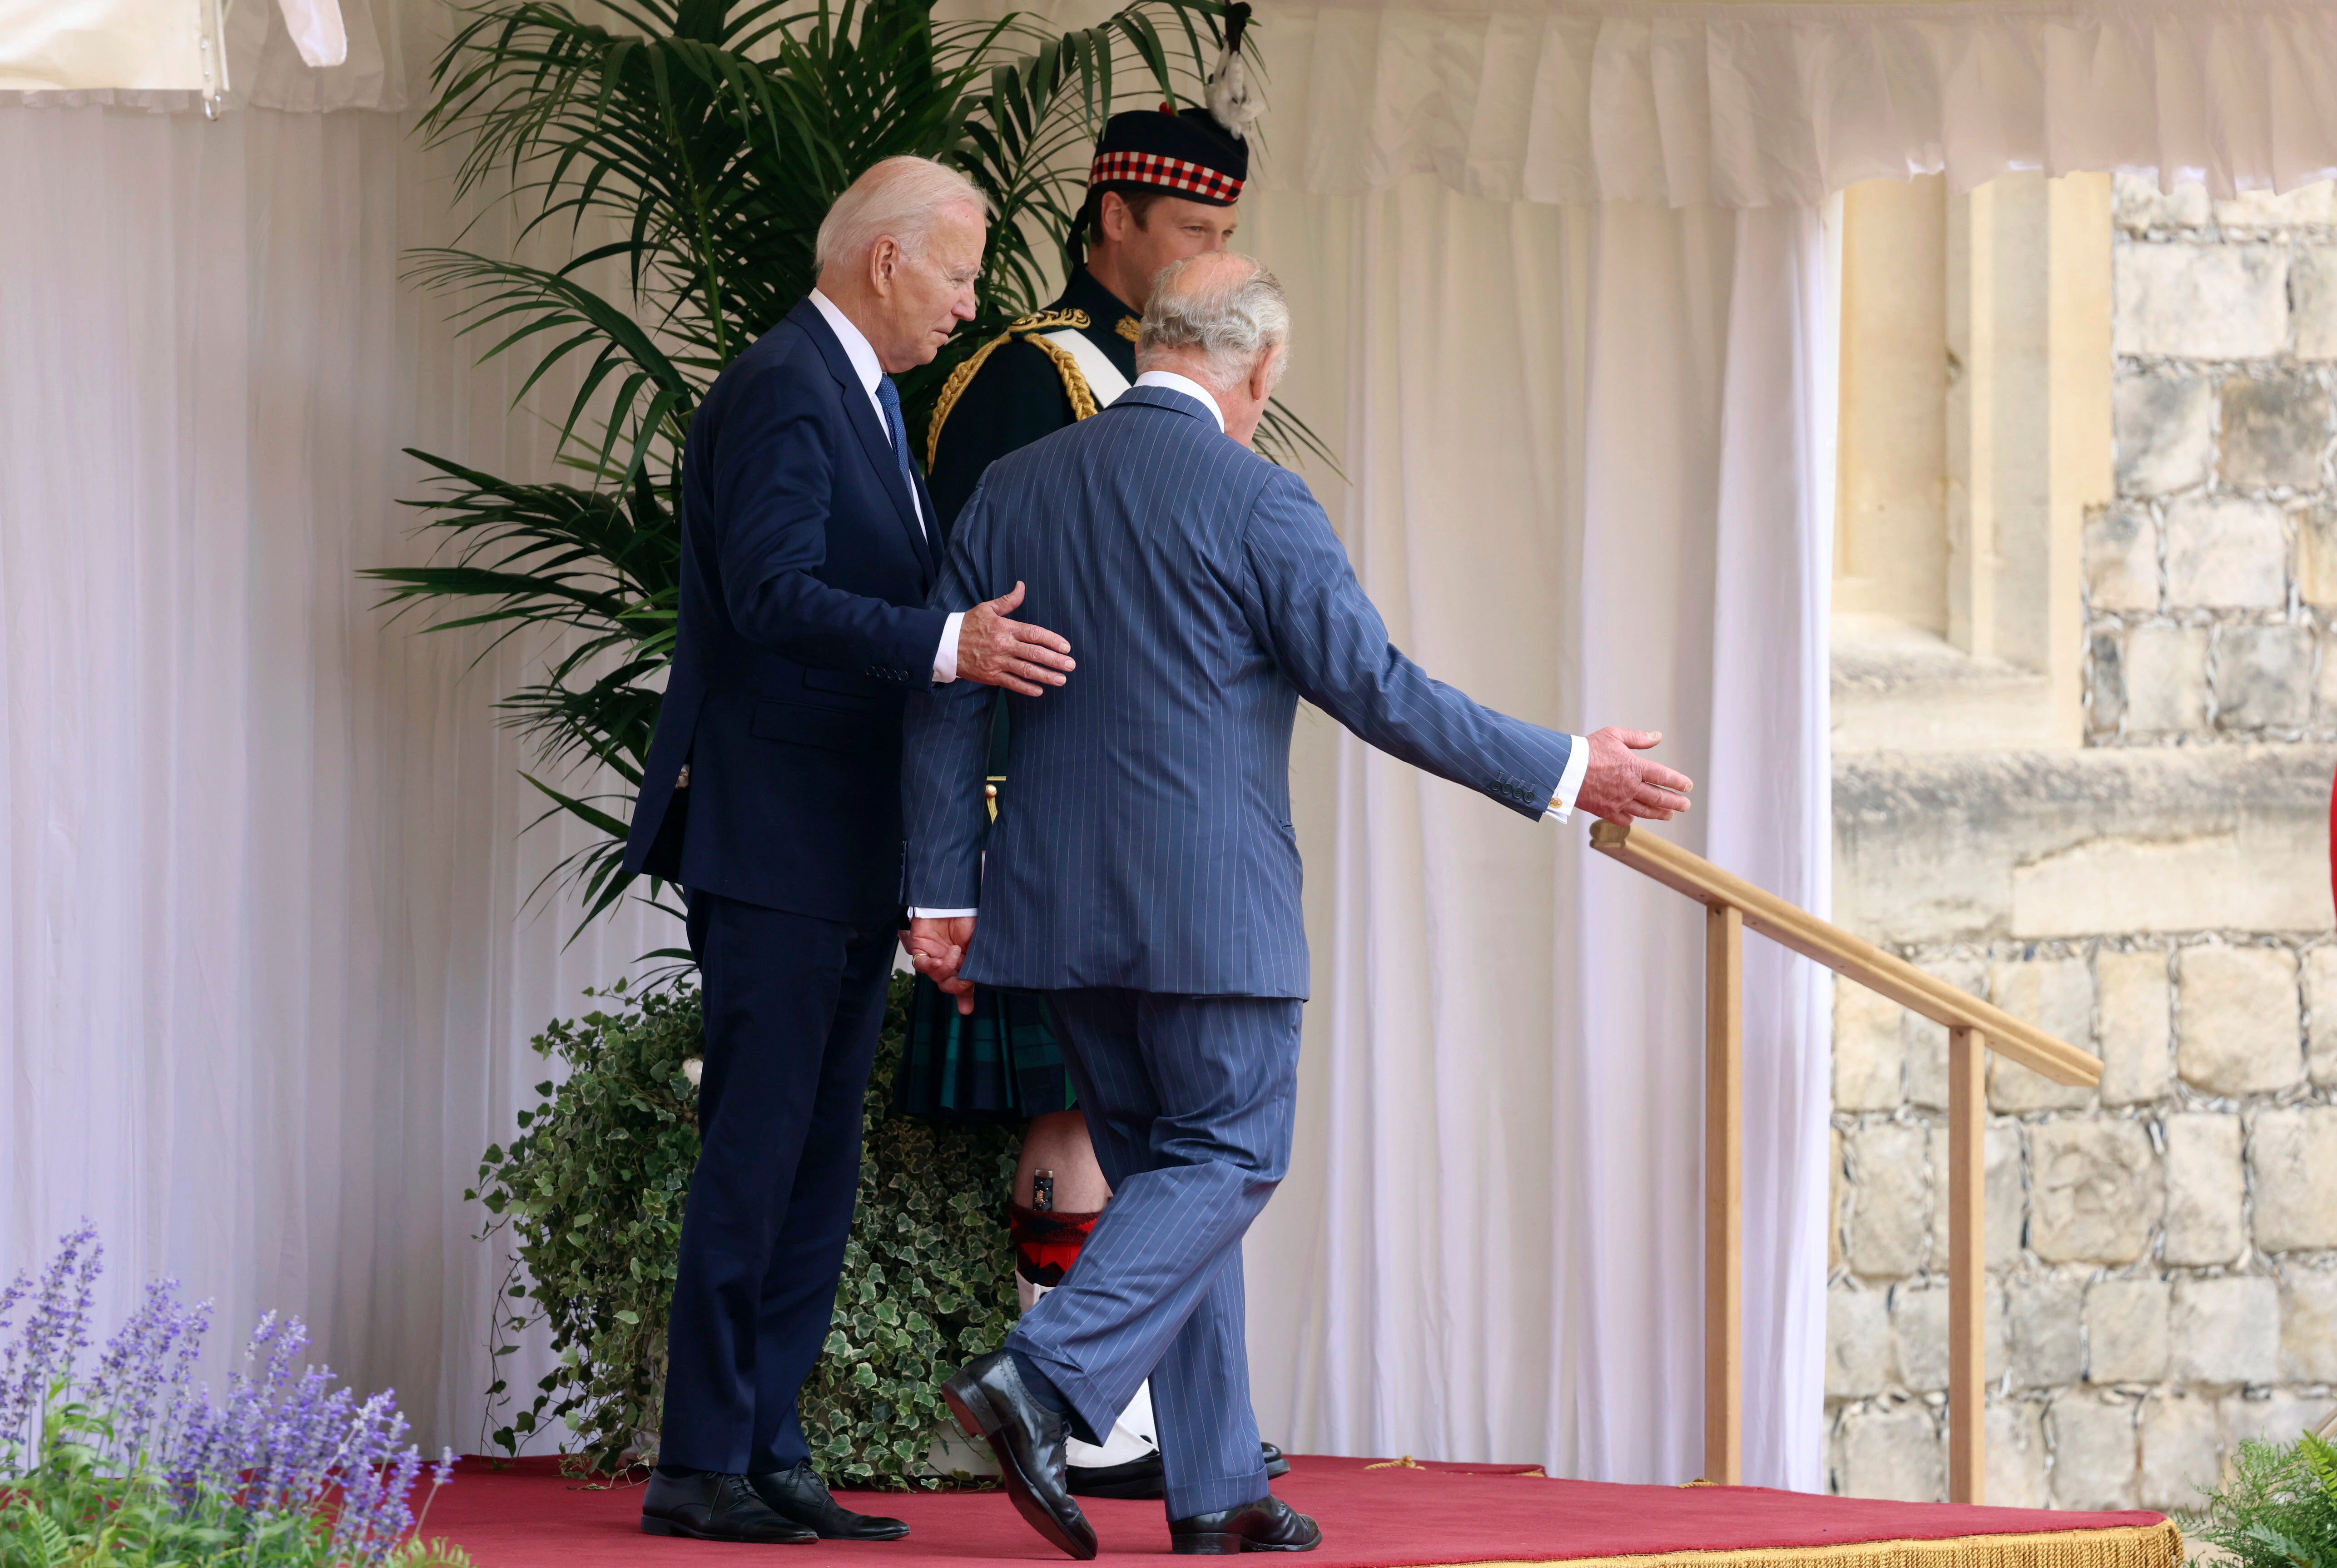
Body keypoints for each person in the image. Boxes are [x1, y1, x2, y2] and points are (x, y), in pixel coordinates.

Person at [899, 253, 1694, 1557]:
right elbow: (1377, 687)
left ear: (1153, 341)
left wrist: (941, 888)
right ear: (1259, 368)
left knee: (1168, 1176)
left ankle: (1212, 1488)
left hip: (1053, 911)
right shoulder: (1259, 502)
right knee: (1230, 1153)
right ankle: (1040, 1378)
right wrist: (1569, 767)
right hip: (1212, 914)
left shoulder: (1015, 485)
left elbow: (943, 690)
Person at [618, 155, 1078, 1545]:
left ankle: (768, 1444)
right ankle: (700, 1458)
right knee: (757, 1150)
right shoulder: (780, 385)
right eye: (955, 274)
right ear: (885, 262)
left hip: (841, 845)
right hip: (771, 841)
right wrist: (951, 642)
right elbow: (769, 593)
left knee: (817, 1161)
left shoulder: (866, 397)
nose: (966, 305)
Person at [897, 79, 1277, 1504]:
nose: (1203, 253)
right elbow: (986, 616)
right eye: (1185, 223)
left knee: (1163, 1137)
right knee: (1080, 1123)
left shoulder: (1167, 374)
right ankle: (1080, 1397)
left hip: (1158, 803)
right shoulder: (1023, 373)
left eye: (1224, 229)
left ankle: (1152, 1427)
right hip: (1043, 793)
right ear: (1111, 213)